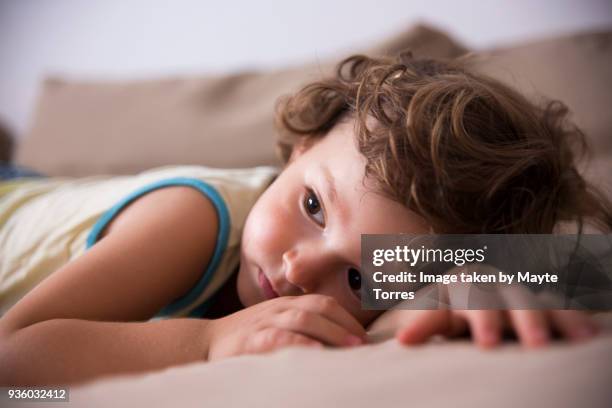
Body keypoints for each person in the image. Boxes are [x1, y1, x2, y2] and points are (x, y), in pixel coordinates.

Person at [0, 53, 610, 386]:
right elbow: (13, 360)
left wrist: (485, 272)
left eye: (359, 278)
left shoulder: (398, 264)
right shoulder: (191, 220)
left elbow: (596, 268)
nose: (297, 269)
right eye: (314, 206)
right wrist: (207, 342)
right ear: (301, 148)